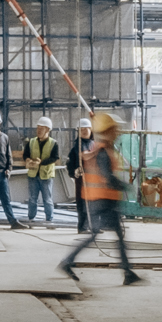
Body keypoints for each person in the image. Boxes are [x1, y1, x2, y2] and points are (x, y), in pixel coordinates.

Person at [62, 110, 143, 285]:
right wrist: (126, 186)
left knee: (111, 235)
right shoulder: (103, 151)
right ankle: (68, 262)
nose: (117, 132)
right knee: (100, 235)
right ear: (107, 132)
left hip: (100, 199)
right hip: (103, 200)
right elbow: (107, 177)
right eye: (114, 130)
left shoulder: (102, 148)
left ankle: (127, 272)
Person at [22, 118, 62, 225]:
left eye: (41, 129)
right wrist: (28, 160)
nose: (38, 131)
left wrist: (41, 162)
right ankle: (31, 218)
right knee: (32, 198)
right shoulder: (31, 142)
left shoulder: (53, 143)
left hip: (46, 175)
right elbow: (25, 154)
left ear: (48, 130)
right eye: (38, 128)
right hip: (33, 174)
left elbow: (55, 158)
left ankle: (49, 219)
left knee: (47, 199)